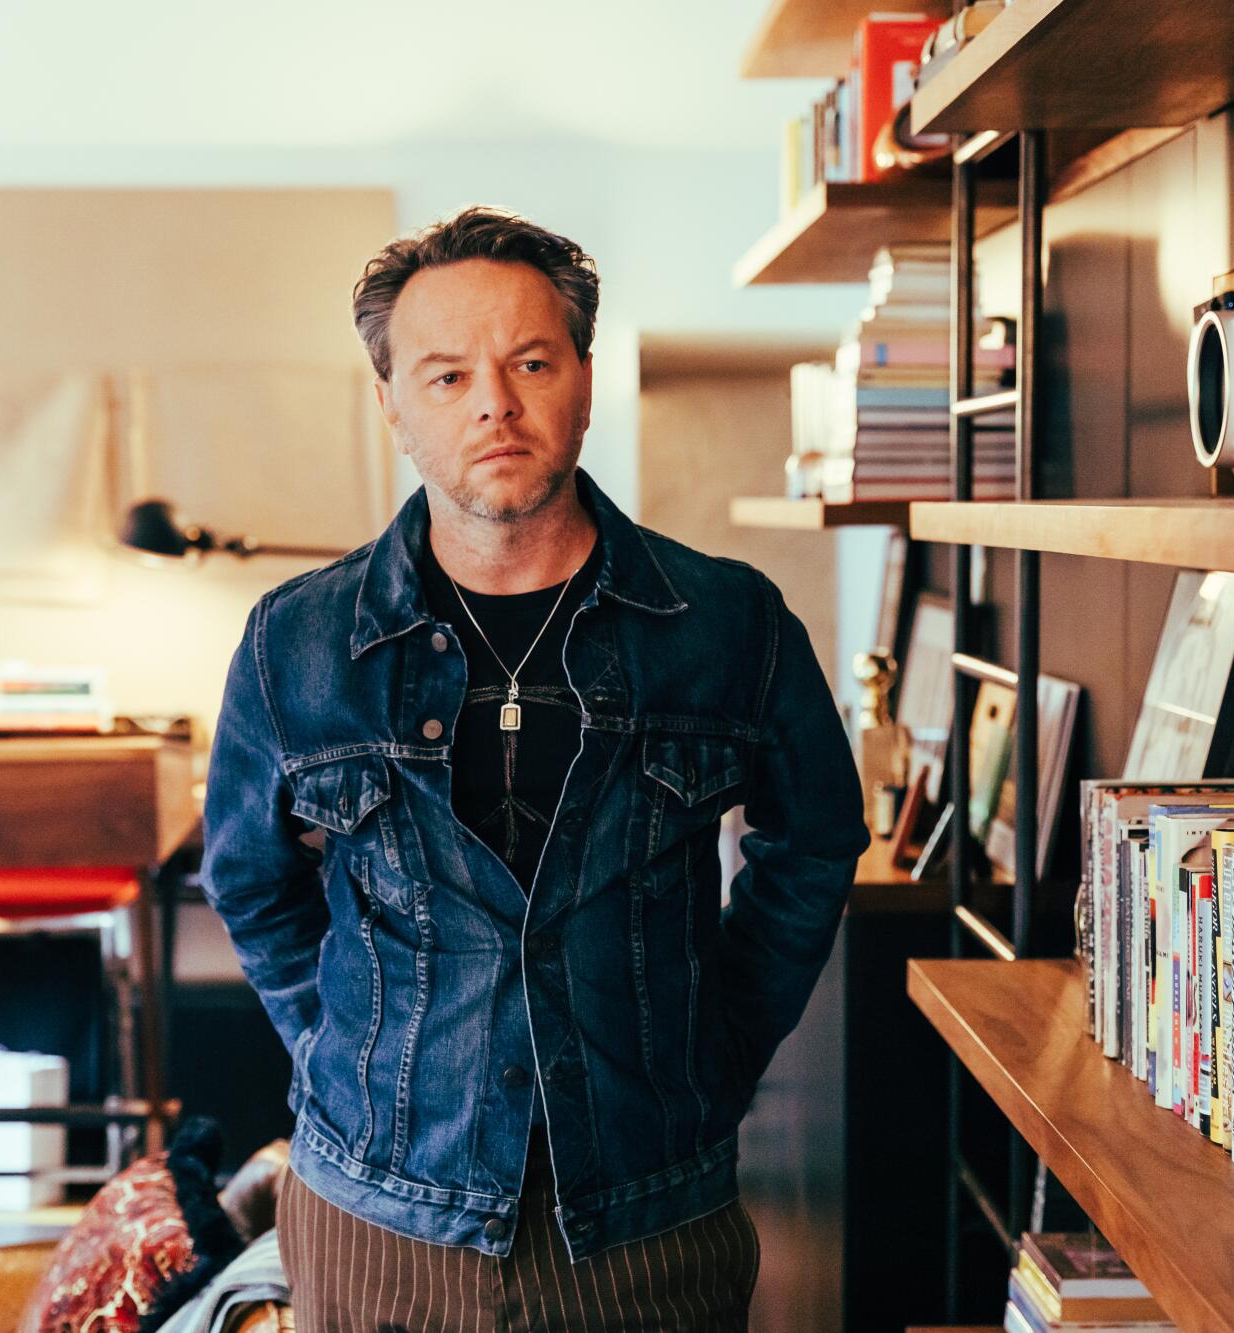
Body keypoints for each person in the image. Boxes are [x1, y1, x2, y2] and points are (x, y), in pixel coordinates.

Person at [200, 206, 866, 1331]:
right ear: (392, 407)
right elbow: (247, 877)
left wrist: (719, 1042)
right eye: (446, 375)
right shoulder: (293, 644)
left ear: (584, 379)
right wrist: (339, 1045)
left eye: (528, 362)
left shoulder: (727, 623)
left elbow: (812, 842)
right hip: (376, 1218)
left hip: (650, 1221)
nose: (492, 404)